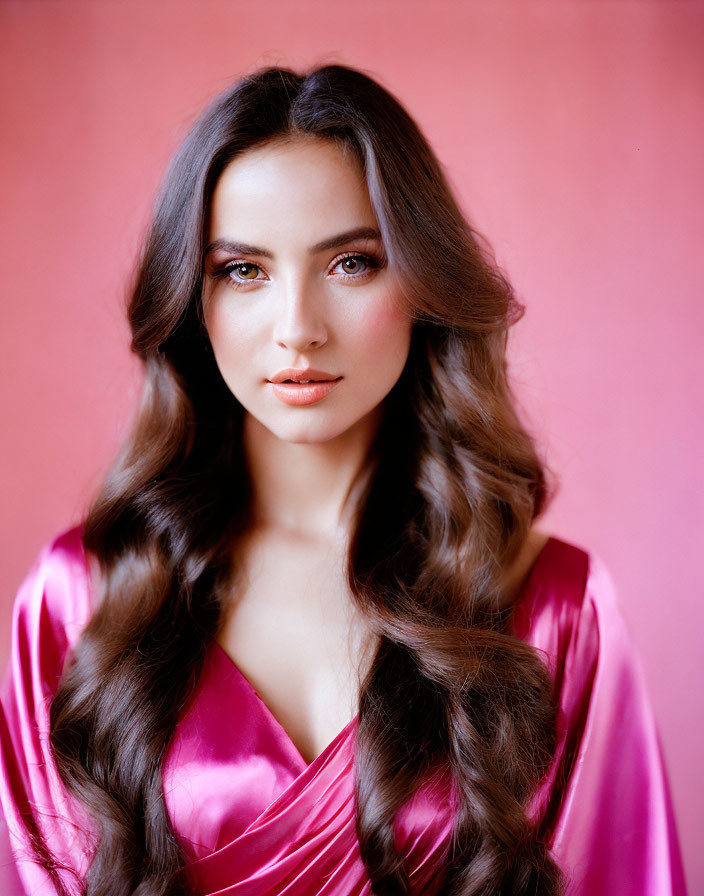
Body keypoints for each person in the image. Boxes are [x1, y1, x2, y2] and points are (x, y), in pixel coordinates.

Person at [0, 64, 687, 896]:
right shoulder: (79, 599)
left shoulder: (554, 605)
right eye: (243, 271)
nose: (297, 329)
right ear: (192, 299)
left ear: (425, 284)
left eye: (352, 263)